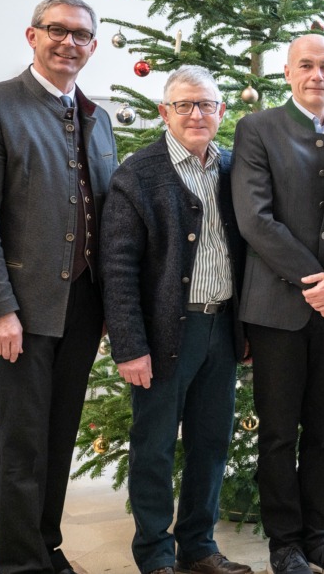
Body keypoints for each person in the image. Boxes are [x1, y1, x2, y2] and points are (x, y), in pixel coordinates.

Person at [0, 0, 117, 574]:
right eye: (57, 30)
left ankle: (46, 546)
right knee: (24, 446)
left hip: (80, 308)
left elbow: (105, 215)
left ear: (93, 47)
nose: (68, 42)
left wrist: (108, 315)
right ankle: (21, 565)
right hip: (16, 310)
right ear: (32, 36)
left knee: (59, 438)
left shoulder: (99, 119)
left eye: (81, 36)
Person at [101, 66, 252, 574]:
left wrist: (245, 332)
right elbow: (117, 267)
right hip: (166, 334)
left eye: (206, 104)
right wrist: (128, 344)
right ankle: (155, 555)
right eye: (184, 105)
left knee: (210, 444)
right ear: (164, 112)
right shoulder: (137, 174)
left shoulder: (234, 169)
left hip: (222, 330)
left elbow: (251, 253)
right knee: (155, 447)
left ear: (221, 112)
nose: (196, 114)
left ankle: (199, 547)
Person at [232, 34, 324, 574]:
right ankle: (284, 543)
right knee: (277, 432)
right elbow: (255, 219)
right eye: (306, 65)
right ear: (288, 73)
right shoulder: (257, 129)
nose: (317, 74)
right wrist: (320, 283)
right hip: (276, 311)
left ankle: (320, 537)